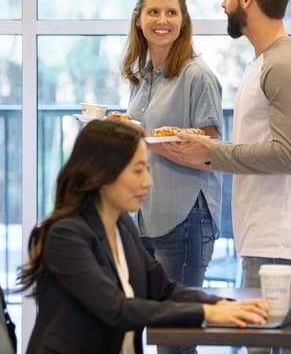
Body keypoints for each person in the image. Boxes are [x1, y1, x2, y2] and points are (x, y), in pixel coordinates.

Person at [18, 119, 268, 354]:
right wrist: (205, 313)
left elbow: (164, 289)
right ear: (102, 174)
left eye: (147, 170)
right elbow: (116, 310)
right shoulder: (66, 236)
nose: (148, 182)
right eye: (138, 171)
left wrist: (220, 304)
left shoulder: (122, 226)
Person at [178, 0, 291, 298]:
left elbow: (289, 155)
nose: (223, 2)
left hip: (279, 244)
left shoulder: (286, 65)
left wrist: (212, 152)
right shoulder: (267, 62)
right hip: (268, 241)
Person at [120, 0, 223, 352]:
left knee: (174, 340)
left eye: (171, 12)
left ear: (183, 20)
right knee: (147, 331)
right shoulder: (143, 76)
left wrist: (144, 137)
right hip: (146, 218)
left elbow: (211, 153)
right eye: (153, 11)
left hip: (185, 218)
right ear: (138, 19)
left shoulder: (197, 75)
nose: (162, 20)